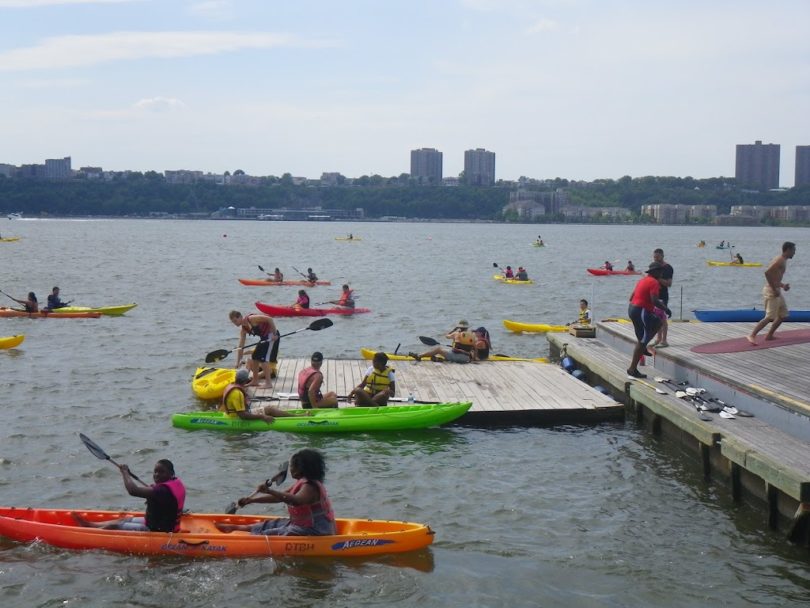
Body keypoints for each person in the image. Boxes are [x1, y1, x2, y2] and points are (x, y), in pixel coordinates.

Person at [215, 449, 336, 536]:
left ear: (300, 468)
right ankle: (237, 528)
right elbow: (279, 498)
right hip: (300, 525)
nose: (290, 469)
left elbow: (296, 500)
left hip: (315, 531)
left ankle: (240, 536)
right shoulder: (302, 482)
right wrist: (252, 500)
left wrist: (270, 490)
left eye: (292, 466)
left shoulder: (310, 487)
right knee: (270, 524)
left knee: (271, 533)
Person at [72, 459, 185, 532]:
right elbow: (167, 502)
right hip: (161, 523)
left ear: (171, 473)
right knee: (124, 520)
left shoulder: (162, 490)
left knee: (115, 527)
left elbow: (132, 490)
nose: (156, 475)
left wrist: (125, 473)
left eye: (161, 472)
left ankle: (91, 533)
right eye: (155, 471)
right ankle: (90, 525)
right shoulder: (176, 483)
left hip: (157, 530)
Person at [627, 262, 671, 378]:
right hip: (640, 310)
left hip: (632, 308)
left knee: (641, 335)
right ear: (655, 272)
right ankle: (632, 368)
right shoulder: (654, 282)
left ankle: (643, 346)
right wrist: (666, 309)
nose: (662, 273)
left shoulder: (642, 280)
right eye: (660, 271)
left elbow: (631, 297)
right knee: (659, 322)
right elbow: (654, 300)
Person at [747, 241, 796, 345]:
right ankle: (752, 335)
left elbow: (775, 277)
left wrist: (783, 286)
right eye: (793, 250)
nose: (794, 253)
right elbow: (767, 272)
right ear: (788, 250)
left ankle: (769, 335)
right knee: (769, 317)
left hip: (777, 290)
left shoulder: (783, 260)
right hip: (771, 291)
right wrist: (774, 289)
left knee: (783, 314)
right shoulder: (780, 260)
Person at [229, 310, 280, 388]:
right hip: (264, 338)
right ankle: (255, 381)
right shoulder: (244, 330)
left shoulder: (251, 319)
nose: (235, 323)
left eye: (235, 320)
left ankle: (268, 383)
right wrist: (238, 362)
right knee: (255, 356)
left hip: (271, 335)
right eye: (233, 322)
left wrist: (274, 334)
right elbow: (240, 347)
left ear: (240, 317)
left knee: (263, 359)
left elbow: (269, 319)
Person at [222, 368, 294, 422]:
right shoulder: (237, 393)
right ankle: (295, 417)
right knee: (270, 410)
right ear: (246, 380)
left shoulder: (231, 386)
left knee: (269, 408)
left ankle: (291, 416)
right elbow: (243, 415)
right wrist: (262, 417)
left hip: (231, 415)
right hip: (236, 418)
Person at [411, 320, 476, 363]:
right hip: (466, 358)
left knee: (438, 350)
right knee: (448, 351)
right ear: (467, 328)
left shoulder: (456, 333)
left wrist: (454, 330)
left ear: (459, 327)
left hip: (457, 356)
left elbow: (447, 336)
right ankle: (440, 359)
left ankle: (419, 356)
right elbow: (474, 348)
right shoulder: (472, 335)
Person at [649, 248, 674, 348]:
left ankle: (664, 340)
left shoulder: (668, 268)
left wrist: (658, 279)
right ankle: (658, 339)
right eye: (654, 257)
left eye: (657, 257)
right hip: (654, 296)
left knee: (662, 318)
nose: (655, 259)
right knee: (656, 318)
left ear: (662, 256)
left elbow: (669, 283)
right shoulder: (654, 266)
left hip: (663, 296)